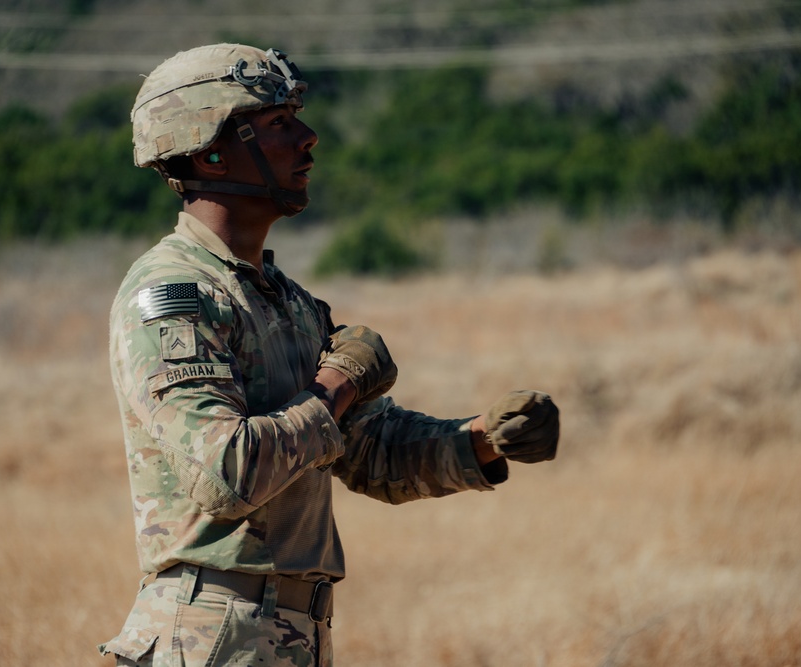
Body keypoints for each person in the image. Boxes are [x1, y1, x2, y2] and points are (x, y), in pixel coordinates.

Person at [99, 43, 560, 667]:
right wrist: (340, 380)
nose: (309, 139)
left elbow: (368, 451)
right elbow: (226, 475)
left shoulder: (288, 302)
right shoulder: (173, 296)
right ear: (208, 148)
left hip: (287, 634)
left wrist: (483, 438)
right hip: (209, 635)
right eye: (278, 124)